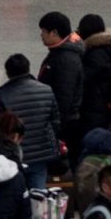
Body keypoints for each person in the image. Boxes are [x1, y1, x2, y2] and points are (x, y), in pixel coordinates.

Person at [0, 54, 60, 190]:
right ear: (28, 69)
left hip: (13, 154)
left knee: (15, 193)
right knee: (38, 196)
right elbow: (56, 122)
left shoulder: (3, 94)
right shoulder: (46, 90)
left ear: (8, 72)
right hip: (41, 152)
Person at [38, 11, 84, 158]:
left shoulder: (65, 59)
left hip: (64, 123)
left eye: (44, 31)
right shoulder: (59, 52)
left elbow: (64, 97)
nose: (41, 35)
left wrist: (55, 125)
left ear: (54, 33)